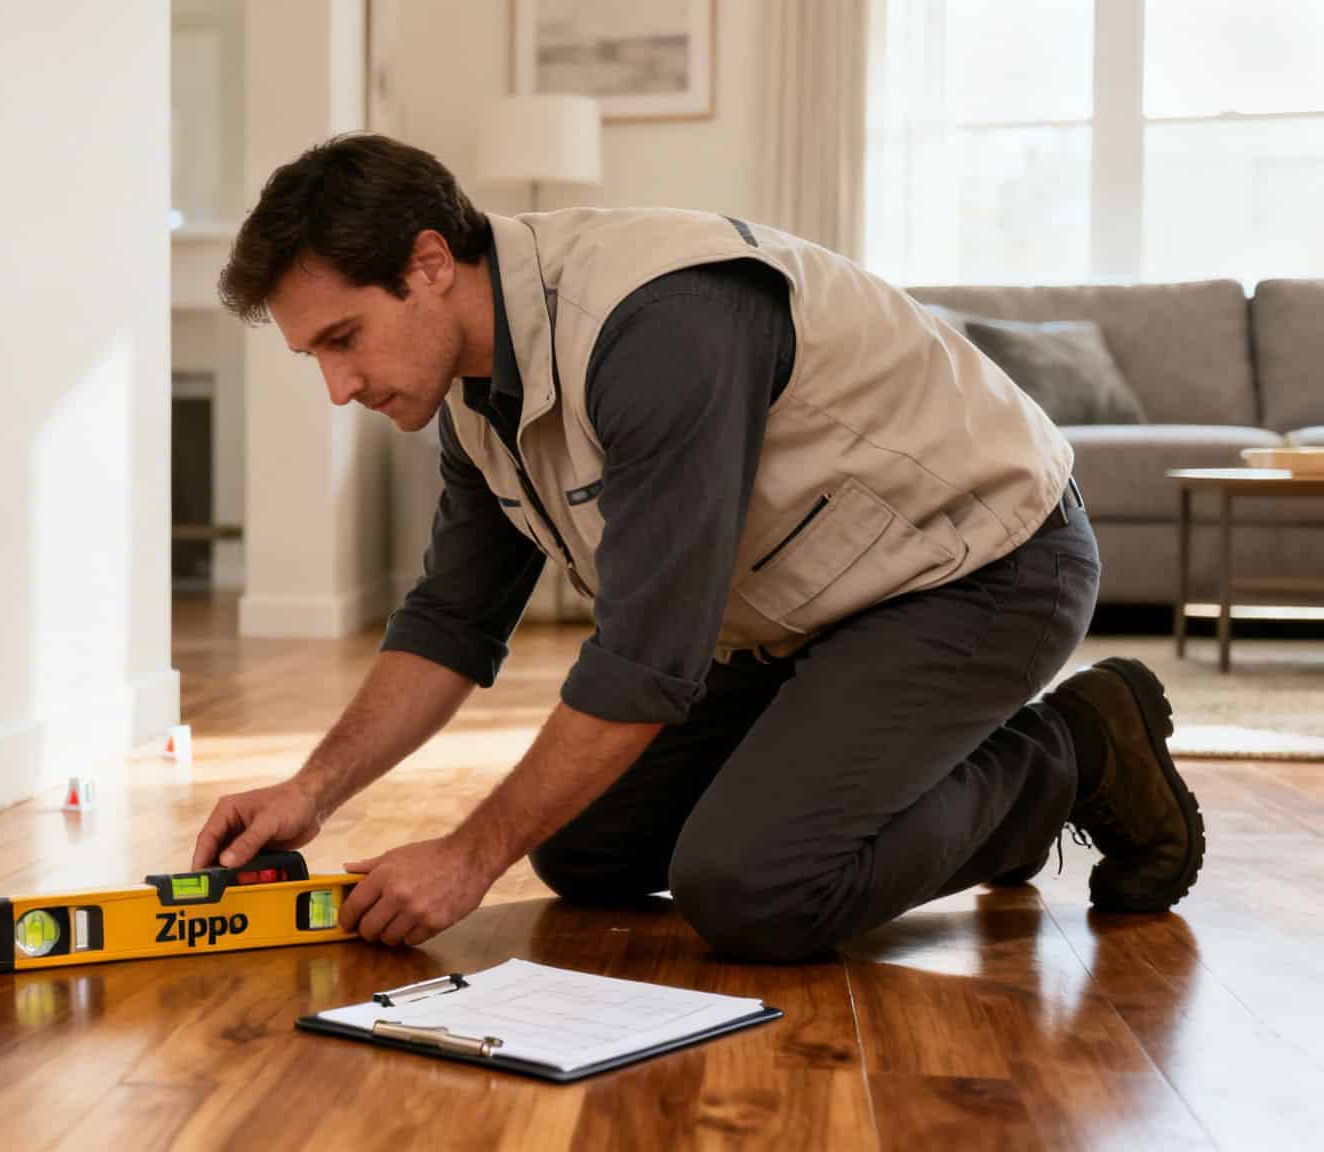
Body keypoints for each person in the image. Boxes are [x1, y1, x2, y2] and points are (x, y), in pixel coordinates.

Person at [190, 133, 1204, 962]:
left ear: (426, 264)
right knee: (585, 847)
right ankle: (920, 774)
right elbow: (450, 622)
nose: (337, 386)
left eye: (342, 339)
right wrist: (308, 791)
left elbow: (646, 658)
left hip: (980, 567)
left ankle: (1068, 749)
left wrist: (466, 855)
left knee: (756, 888)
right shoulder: (468, 399)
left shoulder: (655, 326)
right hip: (808, 613)